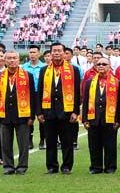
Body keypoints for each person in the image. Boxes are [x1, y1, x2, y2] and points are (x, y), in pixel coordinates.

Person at [37, 42, 82, 174]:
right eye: (54, 51)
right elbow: (39, 91)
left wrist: (75, 111)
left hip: (66, 111)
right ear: (50, 54)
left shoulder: (73, 70)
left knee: (67, 141)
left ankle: (67, 166)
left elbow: (77, 92)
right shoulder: (44, 70)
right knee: (50, 141)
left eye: (59, 51)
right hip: (48, 111)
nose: (56, 53)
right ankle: (52, 166)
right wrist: (39, 112)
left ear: (64, 53)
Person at [0, 51, 36, 175]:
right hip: (3, 114)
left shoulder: (28, 76)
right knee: (5, 143)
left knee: (23, 144)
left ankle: (22, 166)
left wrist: (32, 116)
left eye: (14, 58)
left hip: (22, 114)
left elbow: (32, 96)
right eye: (9, 58)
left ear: (19, 60)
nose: (12, 61)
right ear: (5, 61)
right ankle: (8, 166)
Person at [81, 57, 120, 174]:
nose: (101, 66)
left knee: (110, 145)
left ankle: (110, 167)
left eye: (104, 64)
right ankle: (95, 167)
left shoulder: (117, 82)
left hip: (110, 118)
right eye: (98, 64)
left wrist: (118, 119)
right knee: (94, 145)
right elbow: (85, 101)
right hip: (93, 118)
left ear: (109, 66)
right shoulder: (89, 82)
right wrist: (84, 119)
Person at [22, 45, 47, 149]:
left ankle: (42, 139)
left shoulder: (44, 67)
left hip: (40, 94)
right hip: (28, 95)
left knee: (42, 117)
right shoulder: (23, 67)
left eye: (34, 52)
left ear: (39, 54)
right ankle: (29, 140)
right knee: (29, 117)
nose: (32, 54)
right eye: (30, 52)